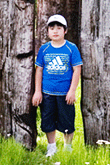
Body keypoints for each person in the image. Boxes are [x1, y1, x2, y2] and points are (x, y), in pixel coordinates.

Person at [32, 14, 82, 157]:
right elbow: (39, 70)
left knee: (67, 121)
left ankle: (67, 147)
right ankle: (51, 146)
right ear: (47, 31)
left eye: (59, 28)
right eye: (52, 28)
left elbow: (77, 69)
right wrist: (37, 91)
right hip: (47, 92)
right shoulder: (44, 49)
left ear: (65, 31)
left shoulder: (71, 48)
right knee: (47, 120)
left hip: (65, 93)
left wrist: (72, 91)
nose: (55, 31)